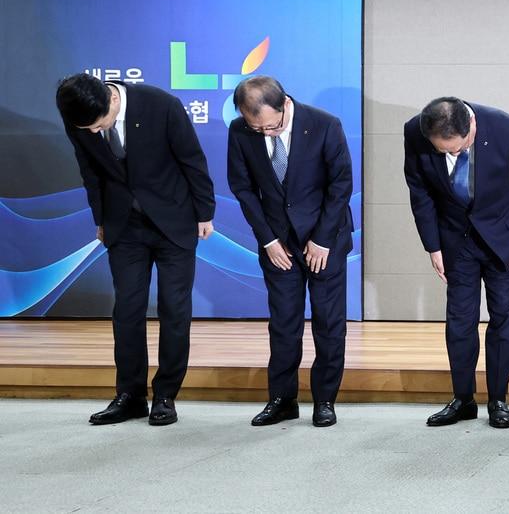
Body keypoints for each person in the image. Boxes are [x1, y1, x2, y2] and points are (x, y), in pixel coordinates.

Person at [56, 73, 215, 426]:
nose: (95, 133)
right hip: (123, 225)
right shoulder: (79, 118)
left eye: (101, 125)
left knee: (175, 309)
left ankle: (165, 395)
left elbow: (192, 159)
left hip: (174, 221)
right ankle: (130, 395)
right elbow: (90, 172)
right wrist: (101, 218)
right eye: (89, 129)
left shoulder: (161, 105)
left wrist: (205, 212)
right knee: (126, 310)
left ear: (112, 101)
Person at [403, 97, 509, 428]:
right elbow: (419, 192)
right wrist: (432, 246)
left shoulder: (507, 128)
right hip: (455, 242)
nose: (451, 156)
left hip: (504, 242)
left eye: (457, 148)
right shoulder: (415, 131)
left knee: (503, 321)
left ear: (472, 127)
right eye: (443, 152)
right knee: (459, 322)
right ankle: (463, 399)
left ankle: (498, 400)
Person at [226, 76, 353, 428]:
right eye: (257, 128)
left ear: (284, 105)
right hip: (278, 243)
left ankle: (325, 400)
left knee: (329, 323)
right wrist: (267, 240)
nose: (265, 133)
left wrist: (323, 239)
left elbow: (341, 184)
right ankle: (282, 399)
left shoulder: (324, 124)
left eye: (271, 126)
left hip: (325, 238)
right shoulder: (241, 131)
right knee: (283, 323)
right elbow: (243, 188)